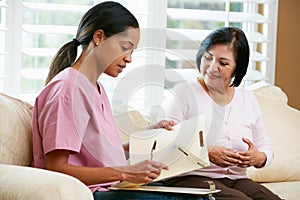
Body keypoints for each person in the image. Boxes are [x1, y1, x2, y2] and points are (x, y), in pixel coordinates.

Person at [32, 1, 207, 200]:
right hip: (91, 193)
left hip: (111, 187)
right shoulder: (67, 90)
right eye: (125, 47)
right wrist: (125, 172)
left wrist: (146, 138)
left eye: (132, 52)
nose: (129, 59)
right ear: (99, 37)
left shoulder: (95, 88)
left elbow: (95, 155)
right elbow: (56, 168)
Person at [153, 27, 282, 200]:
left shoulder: (248, 99)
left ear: (238, 67)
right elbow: (164, 142)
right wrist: (206, 151)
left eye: (223, 63)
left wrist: (258, 157)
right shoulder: (182, 93)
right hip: (190, 178)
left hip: (237, 178)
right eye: (208, 58)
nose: (212, 67)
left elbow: (264, 145)